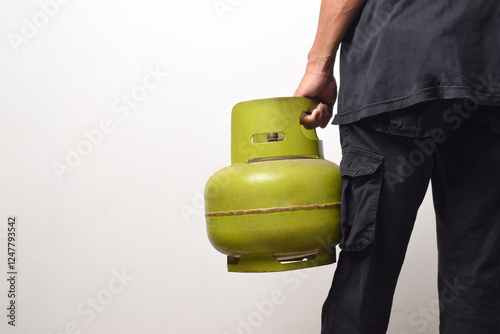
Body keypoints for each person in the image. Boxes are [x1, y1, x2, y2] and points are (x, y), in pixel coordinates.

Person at [294, 0, 500, 333]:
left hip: (395, 69)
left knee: (366, 271)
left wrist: (318, 66)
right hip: (486, 77)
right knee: (476, 277)